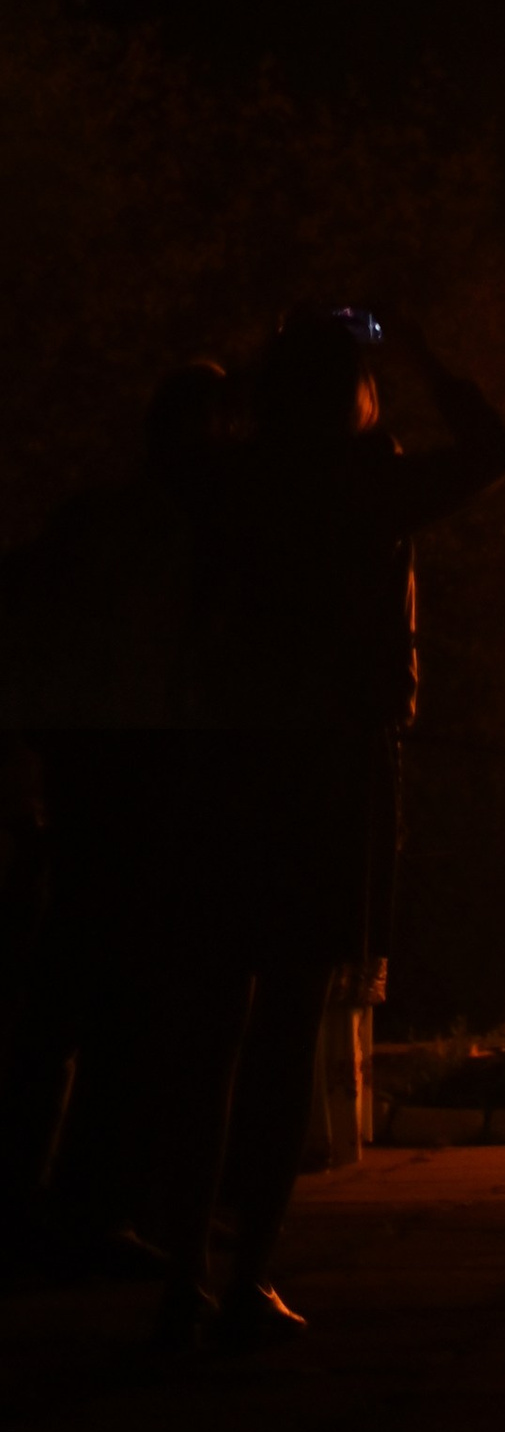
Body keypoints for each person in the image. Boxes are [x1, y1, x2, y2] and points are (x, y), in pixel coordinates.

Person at [157, 309, 505, 1352]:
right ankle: (244, 1279)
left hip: (226, 760)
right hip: (328, 767)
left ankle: (183, 1272)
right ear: (355, 394)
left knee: (210, 1025)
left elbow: (170, 441)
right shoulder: (373, 486)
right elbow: (496, 448)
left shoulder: (232, 480)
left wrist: (229, 374)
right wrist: (417, 347)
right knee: (282, 1034)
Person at [0, 361, 233, 1283]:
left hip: (90, 768)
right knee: (121, 1000)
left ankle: (42, 1197)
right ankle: (85, 1207)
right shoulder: (192, 535)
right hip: (144, 773)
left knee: (66, 994)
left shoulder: (93, 524)